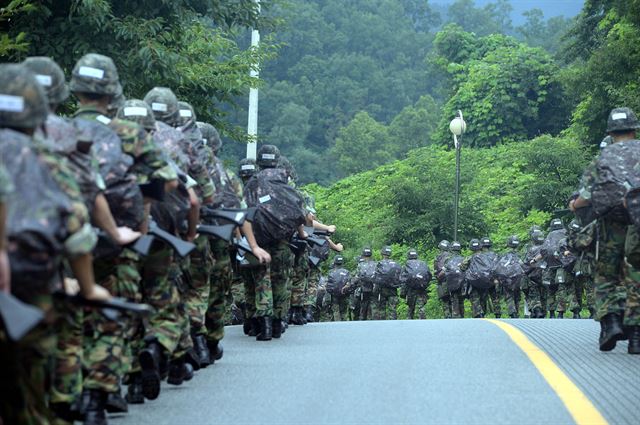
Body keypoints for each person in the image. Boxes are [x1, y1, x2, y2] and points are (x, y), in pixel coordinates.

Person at [0, 63, 109, 425]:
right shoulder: (48, 159)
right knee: (31, 400)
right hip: (31, 289)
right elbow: (76, 232)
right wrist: (89, 288)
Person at [570, 107, 640, 353]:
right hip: (638, 221)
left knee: (607, 273)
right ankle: (636, 336)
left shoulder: (602, 158)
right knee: (636, 274)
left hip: (610, 224)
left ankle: (610, 323)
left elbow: (586, 197)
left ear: (611, 132)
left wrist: (574, 205)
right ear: (634, 129)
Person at [496, 236, 525, 318]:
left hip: (507, 278)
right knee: (517, 295)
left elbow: (498, 267)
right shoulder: (521, 254)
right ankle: (517, 311)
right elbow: (524, 265)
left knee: (509, 296)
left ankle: (512, 312)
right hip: (518, 278)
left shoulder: (503, 254)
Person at [401, 249, 431, 320]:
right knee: (421, 307)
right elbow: (429, 275)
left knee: (410, 308)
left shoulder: (407, 264)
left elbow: (403, 279)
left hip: (410, 290)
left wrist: (403, 292)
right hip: (421, 289)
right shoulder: (422, 264)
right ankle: (423, 321)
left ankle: (409, 322)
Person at [372, 246, 401, 320]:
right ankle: (393, 326)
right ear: (390, 254)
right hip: (393, 290)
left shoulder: (379, 263)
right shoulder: (396, 264)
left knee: (381, 310)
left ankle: (382, 326)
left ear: (382, 254)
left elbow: (374, 277)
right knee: (393, 309)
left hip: (381, 290)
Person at [324, 256, 351, 321]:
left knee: (335, 311)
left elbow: (327, 284)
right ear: (342, 263)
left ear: (335, 262)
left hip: (333, 295)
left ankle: (337, 325)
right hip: (344, 294)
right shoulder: (346, 272)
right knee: (344, 312)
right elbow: (350, 283)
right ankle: (344, 325)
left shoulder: (331, 272)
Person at [434, 240, 453, 318]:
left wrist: (438, 277)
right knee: (453, 299)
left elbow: (435, 270)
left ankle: (447, 316)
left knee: (445, 300)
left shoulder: (437, 257)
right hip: (453, 281)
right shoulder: (452, 256)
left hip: (442, 281)